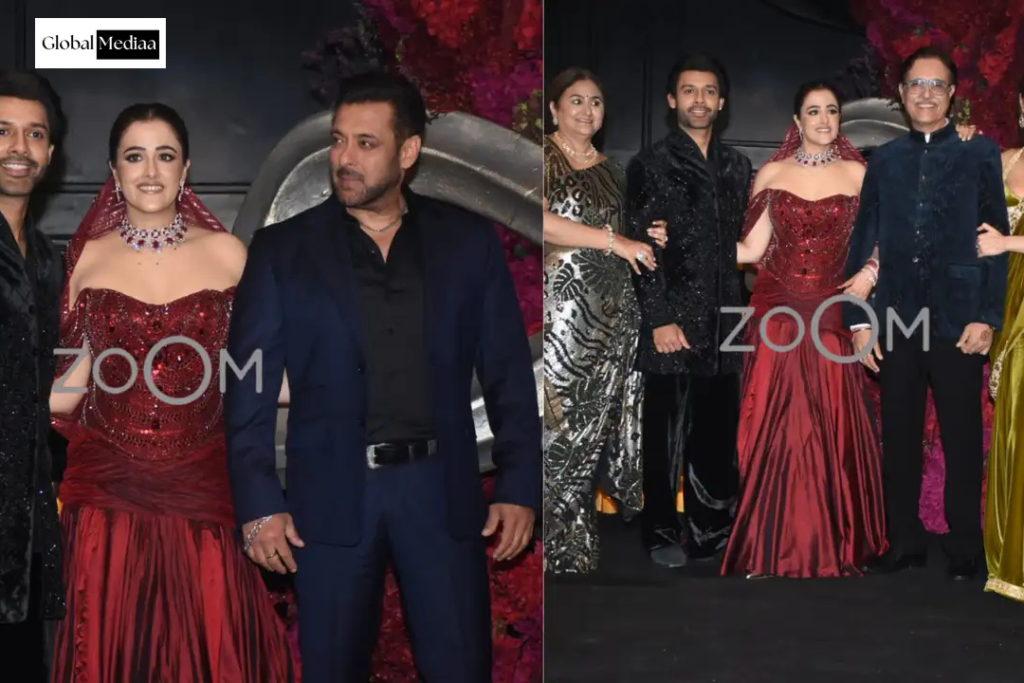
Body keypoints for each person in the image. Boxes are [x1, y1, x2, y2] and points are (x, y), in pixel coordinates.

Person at [224, 71, 541, 682]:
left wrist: (520, 484)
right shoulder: (281, 249)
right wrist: (259, 504)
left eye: (366, 143)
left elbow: (507, 371)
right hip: (328, 501)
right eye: (338, 140)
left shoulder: (467, 242)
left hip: (440, 494)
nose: (345, 158)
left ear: (409, 151)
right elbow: (250, 386)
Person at [49, 103, 297, 681]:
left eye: (165, 155)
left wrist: (343, 383)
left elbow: (256, 375)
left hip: (203, 493)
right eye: (135, 156)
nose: (151, 170)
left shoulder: (227, 254)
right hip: (107, 498)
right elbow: (71, 383)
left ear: (185, 170)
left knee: (211, 647)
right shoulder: (88, 257)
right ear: (114, 171)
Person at [845, 46, 1010, 581]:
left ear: (952, 94)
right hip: (896, 316)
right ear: (901, 93)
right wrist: (859, 320)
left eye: (937, 84)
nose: (926, 93)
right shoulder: (885, 159)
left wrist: (987, 316)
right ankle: (904, 542)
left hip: (960, 317)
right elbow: (865, 238)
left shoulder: (980, 152)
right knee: (898, 434)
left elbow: (994, 239)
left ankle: (965, 549)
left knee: (962, 436)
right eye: (916, 83)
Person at [720, 81, 888, 578]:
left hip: (833, 307)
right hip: (776, 308)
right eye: (813, 111)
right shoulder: (773, 173)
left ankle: (832, 540)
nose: (823, 119)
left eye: (831, 110)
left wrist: (871, 272)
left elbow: (887, 239)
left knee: (831, 420)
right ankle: (768, 542)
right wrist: (691, 243)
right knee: (774, 420)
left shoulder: (859, 174)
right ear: (796, 121)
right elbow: (752, 251)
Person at [625, 54, 752, 567]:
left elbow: (746, 243)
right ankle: (660, 531)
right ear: (672, 100)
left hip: (726, 320)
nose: (700, 100)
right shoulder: (649, 164)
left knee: (718, 434)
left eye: (709, 91)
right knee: (666, 436)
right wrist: (658, 318)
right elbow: (640, 247)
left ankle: (712, 530)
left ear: (722, 103)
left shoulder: (738, 166)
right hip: (672, 319)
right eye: (689, 90)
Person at [542, 67, 668, 575]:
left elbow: (628, 232)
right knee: (558, 422)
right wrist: (616, 241)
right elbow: (540, 221)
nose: (587, 110)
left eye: (595, 102)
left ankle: (573, 544)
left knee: (592, 427)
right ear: (554, 109)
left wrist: (649, 235)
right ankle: (550, 545)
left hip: (614, 313)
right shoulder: (543, 158)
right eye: (576, 100)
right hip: (563, 311)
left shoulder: (615, 170)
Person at [0, 68, 67, 683]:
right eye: (2, 131)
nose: (18, 147)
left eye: (35, 133)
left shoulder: (52, 262)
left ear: (50, 152)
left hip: (32, 524)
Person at [976, 73, 1024, 601]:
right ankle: (1013, 562)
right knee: (1013, 428)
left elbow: (998, 242)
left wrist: (1009, 242)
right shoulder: (1003, 162)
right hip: (1007, 311)